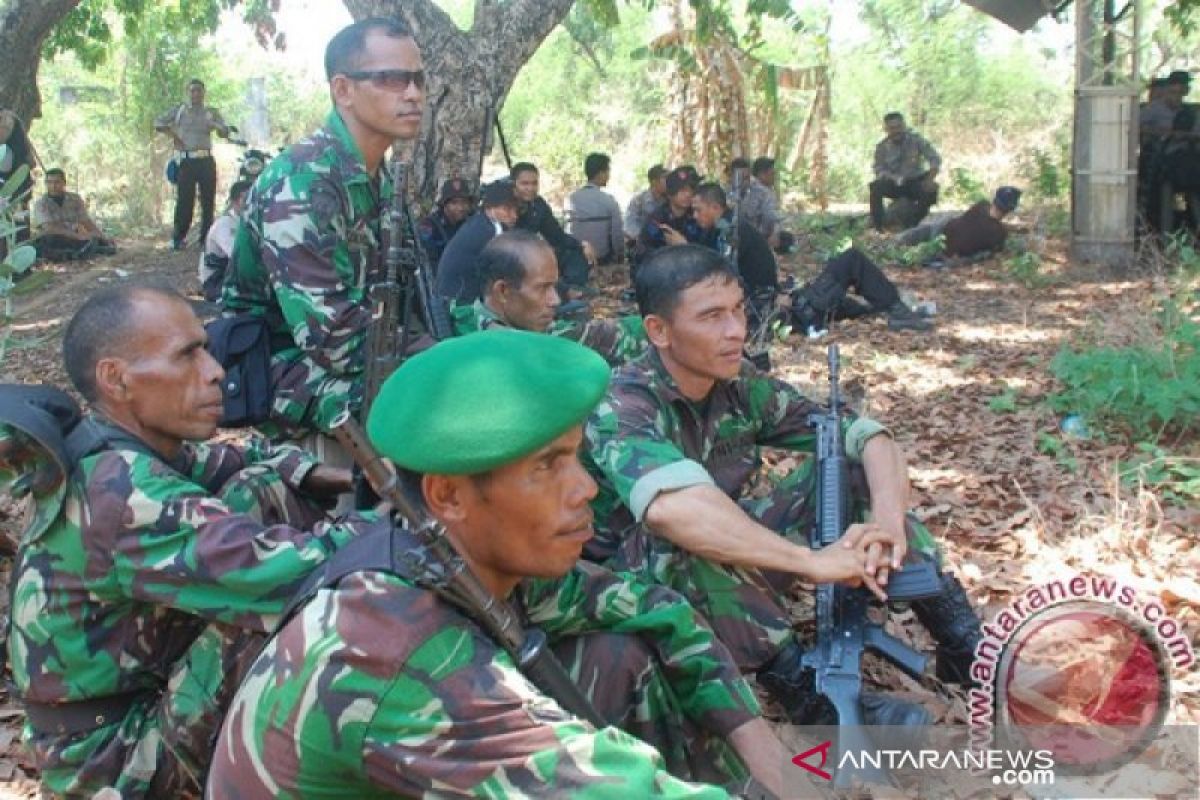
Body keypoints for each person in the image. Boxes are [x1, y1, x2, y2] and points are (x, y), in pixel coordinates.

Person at [208, 330, 791, 798]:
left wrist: (779, 773)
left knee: (620, 654)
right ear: (449, 497)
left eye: (577, 457)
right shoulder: (392, 648)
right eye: (548, 466)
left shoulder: (443, 553)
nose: (586, 488)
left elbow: (661, 609)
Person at [5, 285, 380, 798]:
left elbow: (243, 464)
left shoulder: (110, 446)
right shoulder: (125, 493)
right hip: (113, 763)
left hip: (121, 707)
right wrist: (384, 523)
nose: (215, 370)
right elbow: (302, 570)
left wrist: (340, 480)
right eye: (187, 355)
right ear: (116, 379)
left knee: (259, 490)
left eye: (205, 347)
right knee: (291, 609)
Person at [582, 246, 981, 726]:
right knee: (686, 536)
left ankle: (961, 644)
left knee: (842, 464)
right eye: (711, 317)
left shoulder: (738, 383)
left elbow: (867, 436)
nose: (736, 331)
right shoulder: (624, 403)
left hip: (715, 569)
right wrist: (812, 563)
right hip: (629, 583)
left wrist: (888, 523)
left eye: (737, 310)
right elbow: (673, 511)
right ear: (659, 331)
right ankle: (808, 695)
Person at [221, 18, 425, 450]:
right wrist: (443, 357)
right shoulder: (299, 183)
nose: (412, 93)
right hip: (279, 364)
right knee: (432, 402)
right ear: (343, 90)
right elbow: (336, 343)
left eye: (417, 79)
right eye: (390, 79)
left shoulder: (378, 177)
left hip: (358, 346)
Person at [451, 230, 647, 365]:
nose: (555, 300)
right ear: (503, 291)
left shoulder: (514, 325)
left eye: (554, 286)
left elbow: (597, 334)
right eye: (542, 288)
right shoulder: (497, 349)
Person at [155, 79, 234, 250]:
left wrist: (217, 126)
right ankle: (178, 237)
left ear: (204, 93)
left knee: (208, 200)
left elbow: (224, 131)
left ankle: (206, 238)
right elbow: (158, 123)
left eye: (199, 90)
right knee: (184, 201)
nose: (196, 94)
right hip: (186, 160)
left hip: (205, 160)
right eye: (192, 90)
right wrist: (174, 136)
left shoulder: (211, 112)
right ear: (188, 92)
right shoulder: (180, 110)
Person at [512, 161, 593, 292]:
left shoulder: (538, 205)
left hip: (533, 253)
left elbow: (556, 235)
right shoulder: (506, 205)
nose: (530, 188)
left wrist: (581, 244)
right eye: (524, 184)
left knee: (573, 252)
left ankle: (573, 288)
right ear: (513, 184)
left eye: (534, 183)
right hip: (511, 257)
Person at [435, 179, 520, 302]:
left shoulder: (481, 222)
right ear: (490, 208)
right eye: (507, 209)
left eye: (515, 210)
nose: (514, 215)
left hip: (454, 295)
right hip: (458, 302)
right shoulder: (489, 230)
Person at [895, 185, 1022, 259]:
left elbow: (980, 223)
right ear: (1009, 210)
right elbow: (991, 230)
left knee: (924, 231)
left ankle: (897, 241)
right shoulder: (999, 235)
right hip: (949, 253)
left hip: (943, 230)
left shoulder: (981, 206)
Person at [870, 112, 941, 231]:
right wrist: (891, 177)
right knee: (875, 187)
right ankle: (879, 226)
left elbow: (935, 158)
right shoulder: (882, 147)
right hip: (894, 183)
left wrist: (930, 178)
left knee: (931, 189)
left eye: (899, 127)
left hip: (914, 181)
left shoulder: (916, 140)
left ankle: (914, 223)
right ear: (886, 129)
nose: (896, 131)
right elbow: (878, 168)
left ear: (904, 126)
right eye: (892, 128)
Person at [29, 168, 117, 262]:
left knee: (96, 239)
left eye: (57, 182)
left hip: (74, 236)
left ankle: (86, 250)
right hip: (55, 237)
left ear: (64, 183)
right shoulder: (41, 203)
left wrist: (101, 236)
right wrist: (77, 236)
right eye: (49, 182)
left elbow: (86, 221)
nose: (53, 186)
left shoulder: (75, 199)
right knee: (43, 243)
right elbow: (49, 227)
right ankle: (78, 253)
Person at [633, 167, 702, 270]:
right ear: (670, 194)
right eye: (682, 190)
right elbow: (643, 255)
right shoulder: (657, 220)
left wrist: (685, 247)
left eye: (691, 189)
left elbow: (707, 252)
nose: (688, 194)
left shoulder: (698, 216)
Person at [567, 152, 624, 264]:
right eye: (607, 171)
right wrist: (620, 256)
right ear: (600, 173)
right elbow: (617, 237)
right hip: (602, 259)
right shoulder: (609, 201)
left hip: (575, 258)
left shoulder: (571, 198)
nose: (608, 176)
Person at [200, 179, 251, 301]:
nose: (251, 203)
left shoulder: (248, 222)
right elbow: (238, 255)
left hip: (235, 278)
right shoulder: (225, 224)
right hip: (217, 282)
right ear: (235, 202)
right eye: (247, 199)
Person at [740, 157, 795, 252]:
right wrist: (775, 233)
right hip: (757, 235)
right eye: (772, 174)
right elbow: (769, 216)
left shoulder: (756, 188)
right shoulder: (761, 191)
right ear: (762, 175)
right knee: (787, 241)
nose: (774, 177)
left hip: (752, 232)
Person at [418, 176, 474, 266]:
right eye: (454, 203)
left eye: (464, 202)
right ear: (444, 204)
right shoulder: (430, 225)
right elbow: (428, 260)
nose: (460, 208)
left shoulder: (470, 224)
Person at [624, 163, 667, 243]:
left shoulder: (669, 200)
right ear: (654, 181)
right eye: (665, 178)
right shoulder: (639, 201)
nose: (669, 182)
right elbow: (629, 225)